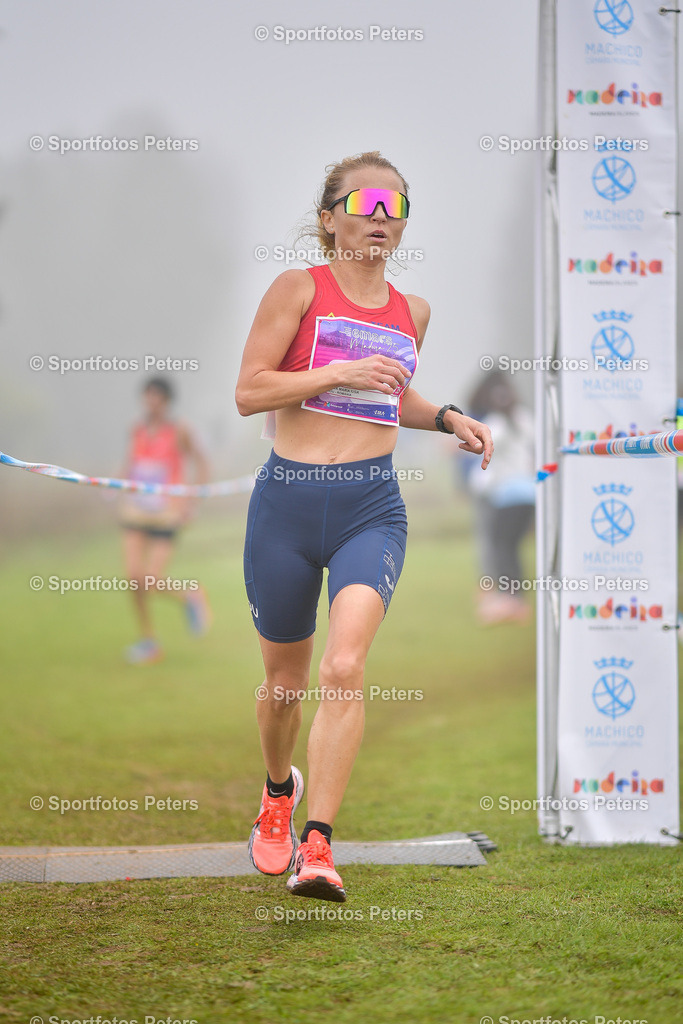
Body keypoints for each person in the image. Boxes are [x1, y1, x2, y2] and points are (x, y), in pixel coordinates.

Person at [235, 151, 493, 902]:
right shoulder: (296, 289)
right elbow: (250, 390)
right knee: (283, 687)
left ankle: (317, 847)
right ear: (329, 218)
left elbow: (392, 397)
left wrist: (445, 417)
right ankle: (278, 790)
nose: (382, 217)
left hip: (369, 509)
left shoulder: (412, 312)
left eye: (397, 206)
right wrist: (333, 372)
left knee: (343, 668)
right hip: (284, 506)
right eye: (366, 203)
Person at [120, 377, 211, 664]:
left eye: (157, 397)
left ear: (167, 401)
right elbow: (130, 463)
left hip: (166, 514)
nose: (151, 402)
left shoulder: (179, 429)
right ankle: (149, 641)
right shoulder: (136, 429)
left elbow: (202, 461)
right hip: (136, 511)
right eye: (148, 396)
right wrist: (116, 489)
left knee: (150, 578)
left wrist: (191, 502)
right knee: (134, 578)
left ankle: (189, 596)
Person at [465, 370, 535, 625]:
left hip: (507, 496)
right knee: (512, 549)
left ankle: (511, 600)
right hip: (529, 493)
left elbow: (484, 452)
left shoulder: (496, 423)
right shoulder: (526, 420)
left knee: (502, 549)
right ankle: (514, 600)